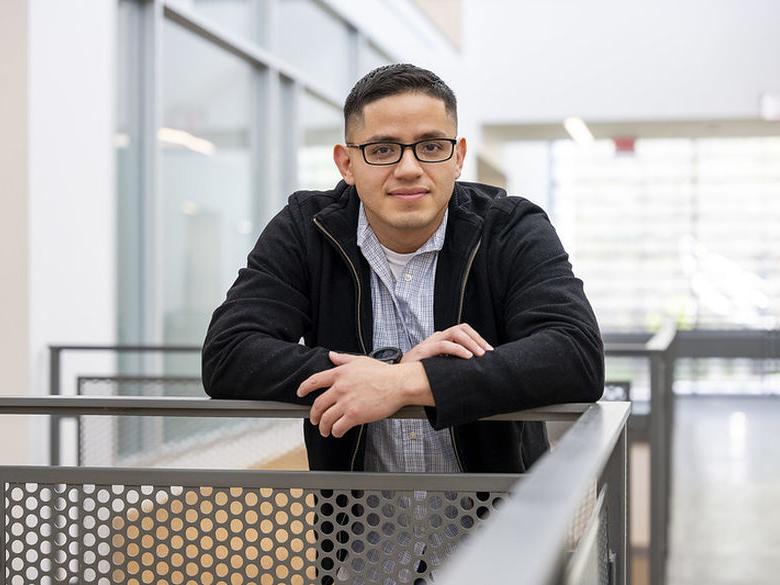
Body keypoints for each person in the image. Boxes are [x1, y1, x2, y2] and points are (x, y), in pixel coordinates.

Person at [202, 63, 604, 474]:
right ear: (346, 164)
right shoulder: (307, 228)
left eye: (431, 147)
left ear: (458, 156)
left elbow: (575, 354)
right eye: (382, 150)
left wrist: (405, 383)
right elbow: (229, 353)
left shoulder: (510, 227)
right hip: (355, 528)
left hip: (501, 525)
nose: (409, 168)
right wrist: (384, 370)